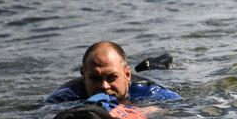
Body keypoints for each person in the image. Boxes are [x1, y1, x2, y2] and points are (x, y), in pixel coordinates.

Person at [45, 41, 180, 103]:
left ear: (127, 75)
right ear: (84, 76)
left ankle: (158, 64)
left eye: (111, 78)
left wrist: (148, 113)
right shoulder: (66, 96)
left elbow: (182, 109)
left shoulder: (146, 90)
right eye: (95, 78)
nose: (104, 86)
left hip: (149, 76)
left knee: (154, 69)